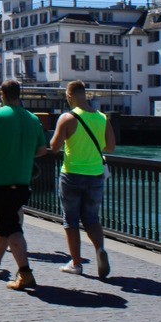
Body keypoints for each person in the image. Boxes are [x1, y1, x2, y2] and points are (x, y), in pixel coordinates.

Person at [0, 80, 47, 291]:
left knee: (11, 227)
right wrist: (22, 153)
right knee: (4, 224)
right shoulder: (32, 119)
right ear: (19, 95)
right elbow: (42, 150)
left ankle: (25, 273)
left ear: (2, 95)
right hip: (22, 181)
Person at [49, 80, 115, 278]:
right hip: (95, 174)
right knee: (92, 218)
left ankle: (76, 263)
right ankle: (99, 249)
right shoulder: (103, 118)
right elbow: (110, 147)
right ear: (85, 95)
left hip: (71, 174)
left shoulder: (68, 118)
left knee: (70, 220)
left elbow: (54, 146)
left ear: (70, 96)